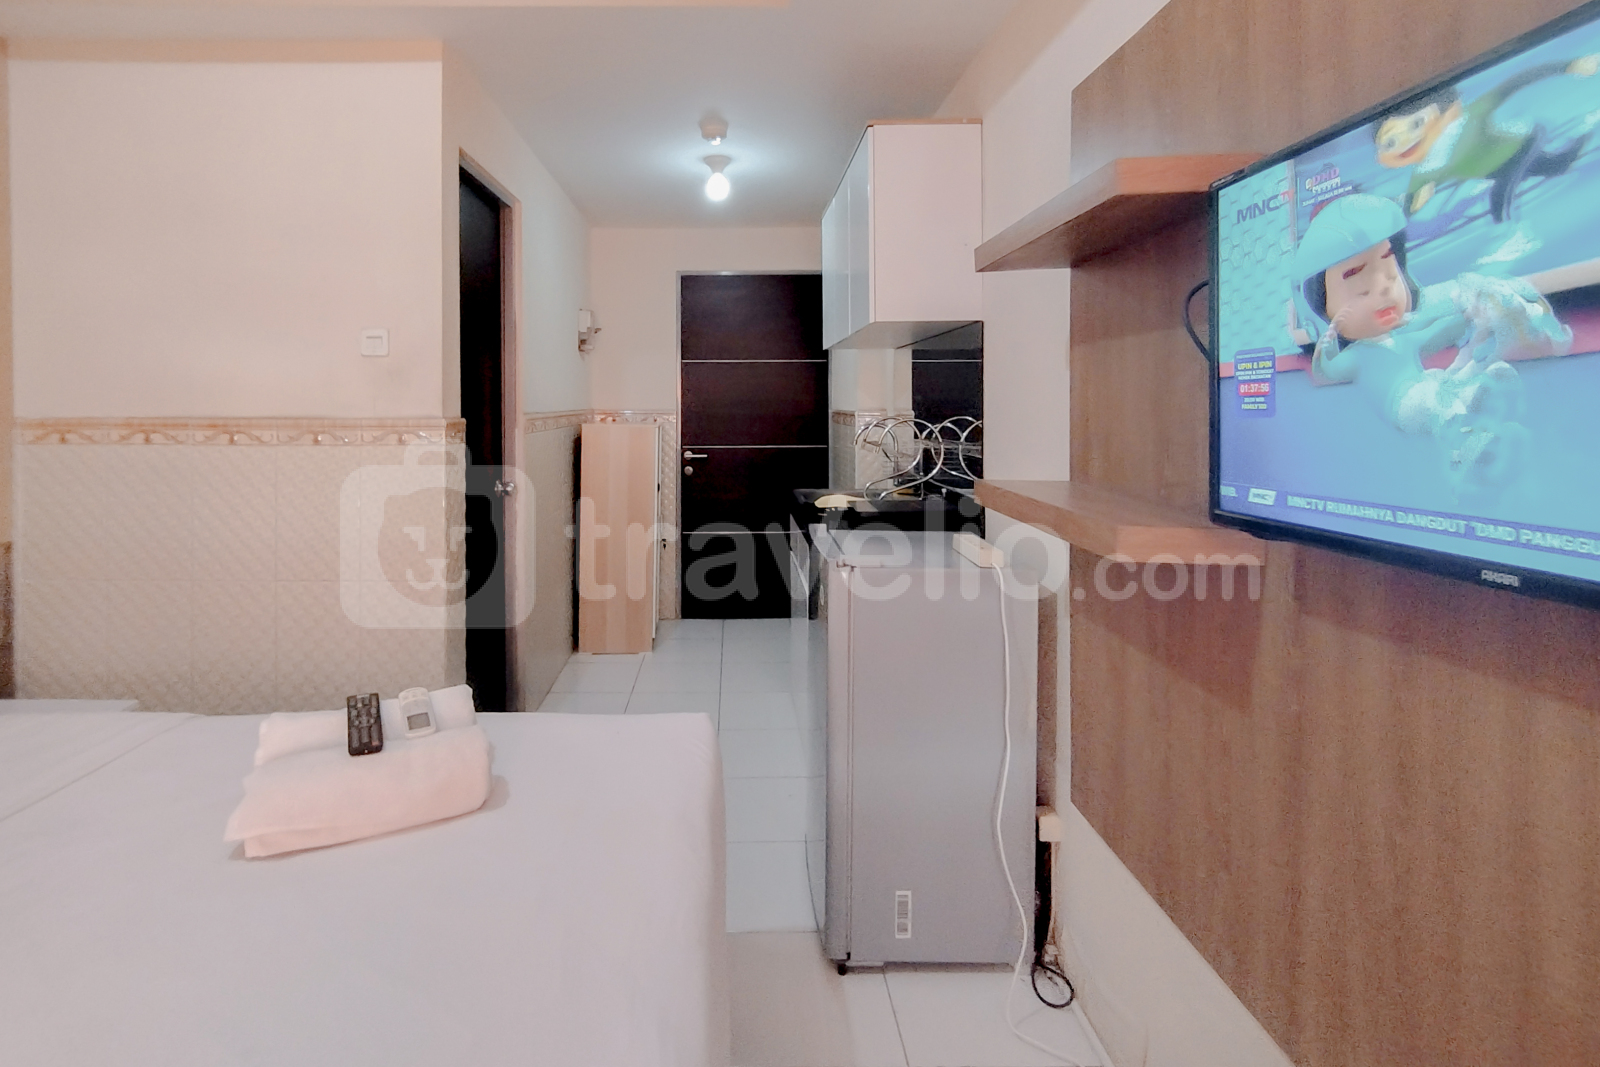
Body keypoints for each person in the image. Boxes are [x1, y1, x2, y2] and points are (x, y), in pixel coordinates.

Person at [1295, 194, 1570, 495]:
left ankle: (1482, 392)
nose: (1385, 292)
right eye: (1363, 292)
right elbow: (1325, 371)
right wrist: (1326, 343)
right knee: (1436, 399)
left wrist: (1468, 316)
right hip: (1404, 406)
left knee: (1452, 379)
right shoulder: (1359, 356)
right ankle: (1462, 451)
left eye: (1391, 276)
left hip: (1426, 385)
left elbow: (1434, 332)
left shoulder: (1402, 337)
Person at [1372, 54, 1599, 222]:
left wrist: (1568, 66)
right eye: (1390, 143)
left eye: (1416, 124)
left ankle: (1510, 238)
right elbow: (1409, 205)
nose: (1406, 142)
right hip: (1498, 168)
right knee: (1557, 166)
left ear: (1448, 110)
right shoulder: (1425, 170)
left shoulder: (1471, 116)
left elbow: (1518, 81)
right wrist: (1410, 204)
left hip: (1523, 141)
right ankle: (1588, 130)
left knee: (1501, 199)